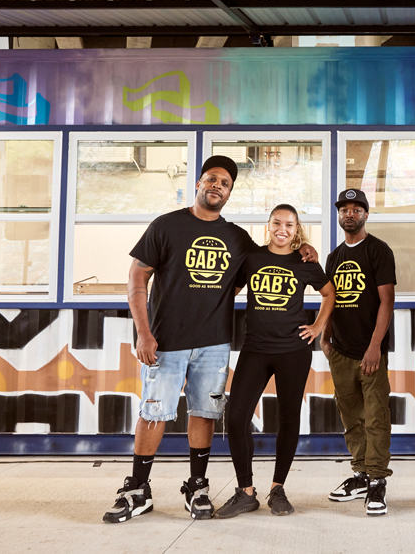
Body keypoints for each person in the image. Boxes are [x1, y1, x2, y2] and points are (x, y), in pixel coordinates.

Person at [103, 156, 317, 524]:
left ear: (230, 193)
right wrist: (143, 331)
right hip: (166, 340)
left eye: (225, 184)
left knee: (204, 413)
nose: (217, 186)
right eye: (212, 179)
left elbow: (271, 256)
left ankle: (197, 486)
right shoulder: (166, 226)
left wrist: (304, 251)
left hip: (214, 343)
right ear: (198, 183)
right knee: (154, 412)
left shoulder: (236, 237)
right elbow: (137, 279)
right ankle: (137, 488)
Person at [217, 204, 336, 518]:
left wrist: (318, 326)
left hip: (293, 351)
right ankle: (246, 491)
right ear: (268, 225)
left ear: (297, 229)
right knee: (237, 417)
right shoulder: (252, 257)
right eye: (277, 223)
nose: (283, 229)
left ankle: (278, 488)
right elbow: (228, 292)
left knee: (288, 419)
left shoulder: (304, 261)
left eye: (290, 225)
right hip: (255, 349)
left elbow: (329, 293)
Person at [322, 189, 396, 516]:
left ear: (366, 214)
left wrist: (375, 346)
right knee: (351, 417)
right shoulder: (333, 257)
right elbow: (331, 300)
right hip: (341, 351)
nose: (349, 214)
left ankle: (378, 480)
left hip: (370, 351)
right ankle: (361, 474)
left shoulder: (378, 250)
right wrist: (325, 338)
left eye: (356, 209)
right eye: (344, 209)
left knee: (376, 416)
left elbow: (387, 301)